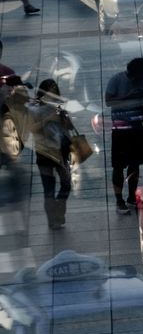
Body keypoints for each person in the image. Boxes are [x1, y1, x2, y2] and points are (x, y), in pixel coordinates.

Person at [105, 57, 143, 215]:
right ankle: (119, 200)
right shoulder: (116, 79)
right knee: (118, 165)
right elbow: (108, 101)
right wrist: (129, 97)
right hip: (120, 128)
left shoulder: (142, 82)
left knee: (135, 164)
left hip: (137, 128)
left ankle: (132, 197)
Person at [28, 78, 73, 230]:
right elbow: (32, 129)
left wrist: (64, 117)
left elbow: (69, 127)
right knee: (49, 189)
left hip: (61, 152)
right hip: (45, 152)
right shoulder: (35, 108)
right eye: (49, 92)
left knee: (66, 183)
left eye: (55, 92)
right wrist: (48, 118)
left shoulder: (58, 107)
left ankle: (59, 212)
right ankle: (52, 220)